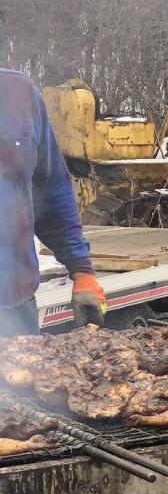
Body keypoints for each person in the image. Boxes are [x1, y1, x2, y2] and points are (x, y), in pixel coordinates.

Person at [0, 69, 106, 335]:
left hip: (13, 308)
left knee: (24, 376)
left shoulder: (18, 93)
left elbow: (51, 189)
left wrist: (82, 271)